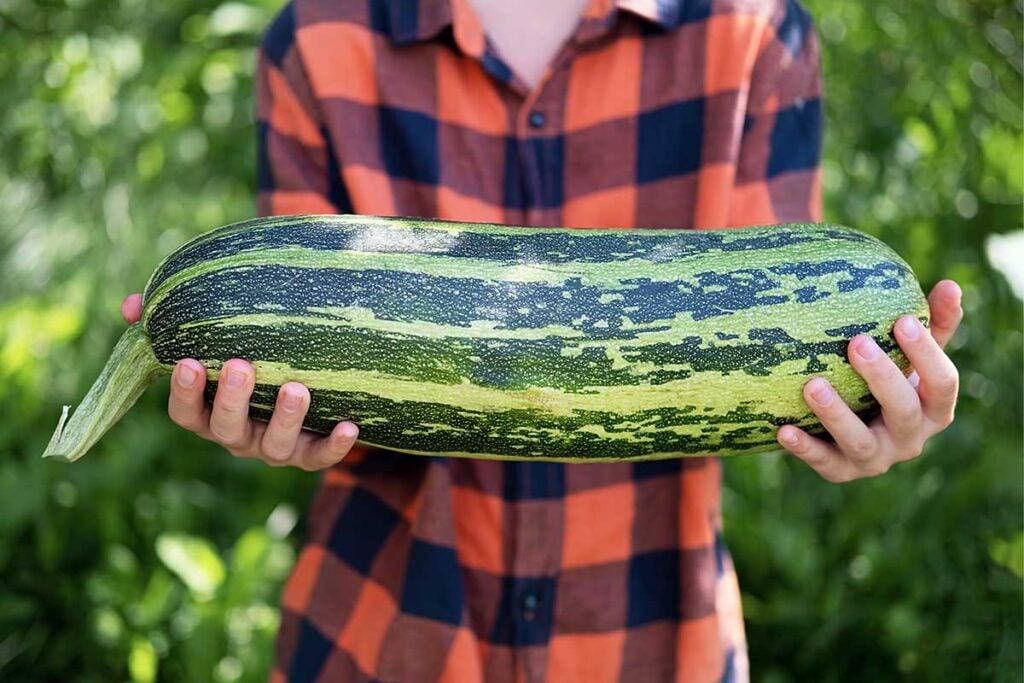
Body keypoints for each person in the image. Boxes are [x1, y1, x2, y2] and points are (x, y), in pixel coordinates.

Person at [121, 0, 962, 679]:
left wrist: (859, 418)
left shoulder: (758, 31)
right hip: (385, 633)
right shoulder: (314, 39)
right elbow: (298, 338)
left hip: (652, 636)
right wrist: (275, 418)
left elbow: (783, 340)